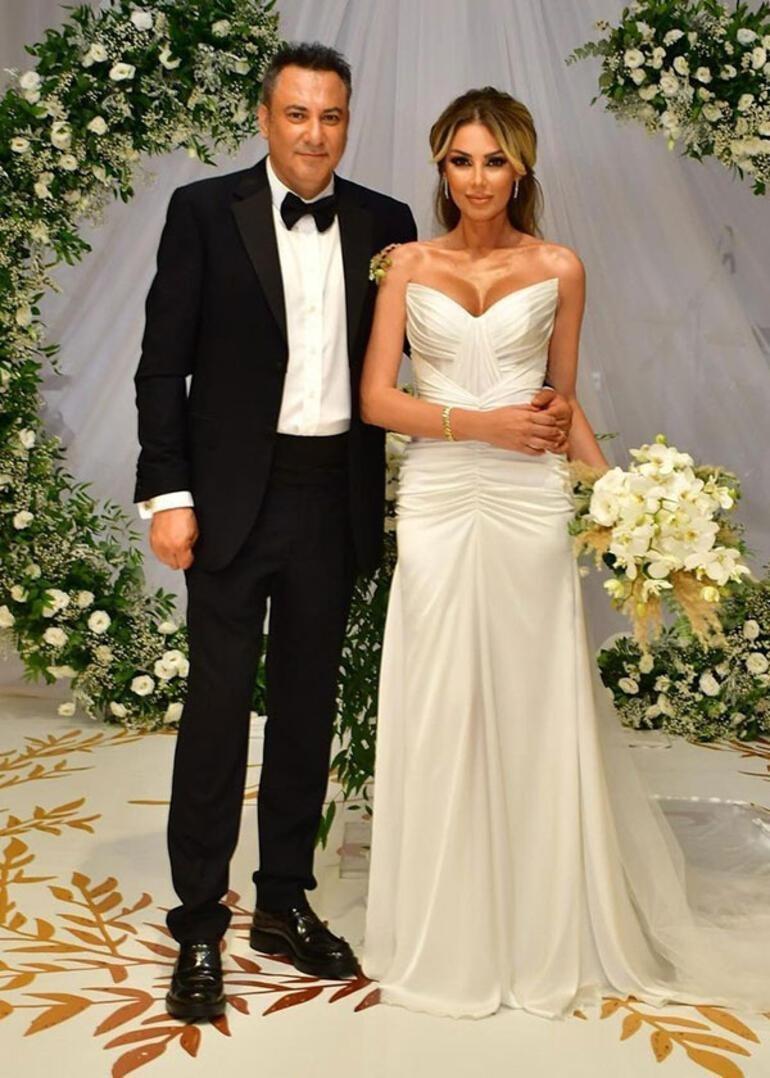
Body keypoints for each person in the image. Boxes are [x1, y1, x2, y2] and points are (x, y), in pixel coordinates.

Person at [359, 87, 770, 1020]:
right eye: (461, 160)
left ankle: (542, 924)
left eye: (494, 161)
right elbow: (378, 399)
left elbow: (560, 398)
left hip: (528, 500)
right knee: (438, 695)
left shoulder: (560, 266)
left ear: (522, 168)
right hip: (439, 496)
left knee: (533, 696)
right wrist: (482, 425)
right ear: (441, 167)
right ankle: (443, 924)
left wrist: (626, 509)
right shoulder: (406, 264)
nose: (477, 179)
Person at [133, 42, 425, 1021]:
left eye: (330, 116)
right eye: (296, 114)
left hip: (332, 493)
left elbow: (411, 358)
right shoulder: (201, 211)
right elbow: (160, 364)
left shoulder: (386, 223)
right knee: (217, 712)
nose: (314, 133)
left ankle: (282, 901)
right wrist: (168, 494)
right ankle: (198, 923)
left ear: (347, 122)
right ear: (265, 119)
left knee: (306, 708)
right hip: (227, 501)